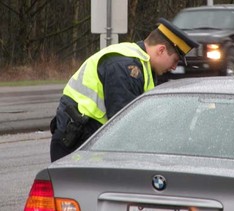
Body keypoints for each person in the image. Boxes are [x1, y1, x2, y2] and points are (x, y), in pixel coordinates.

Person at [49, 18, 198, 162]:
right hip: (75, 144)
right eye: (175, 60)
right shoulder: (125, 67)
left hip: (88, 141)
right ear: (161, 50)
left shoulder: (141, 64)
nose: (174, 67)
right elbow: (123, 125)